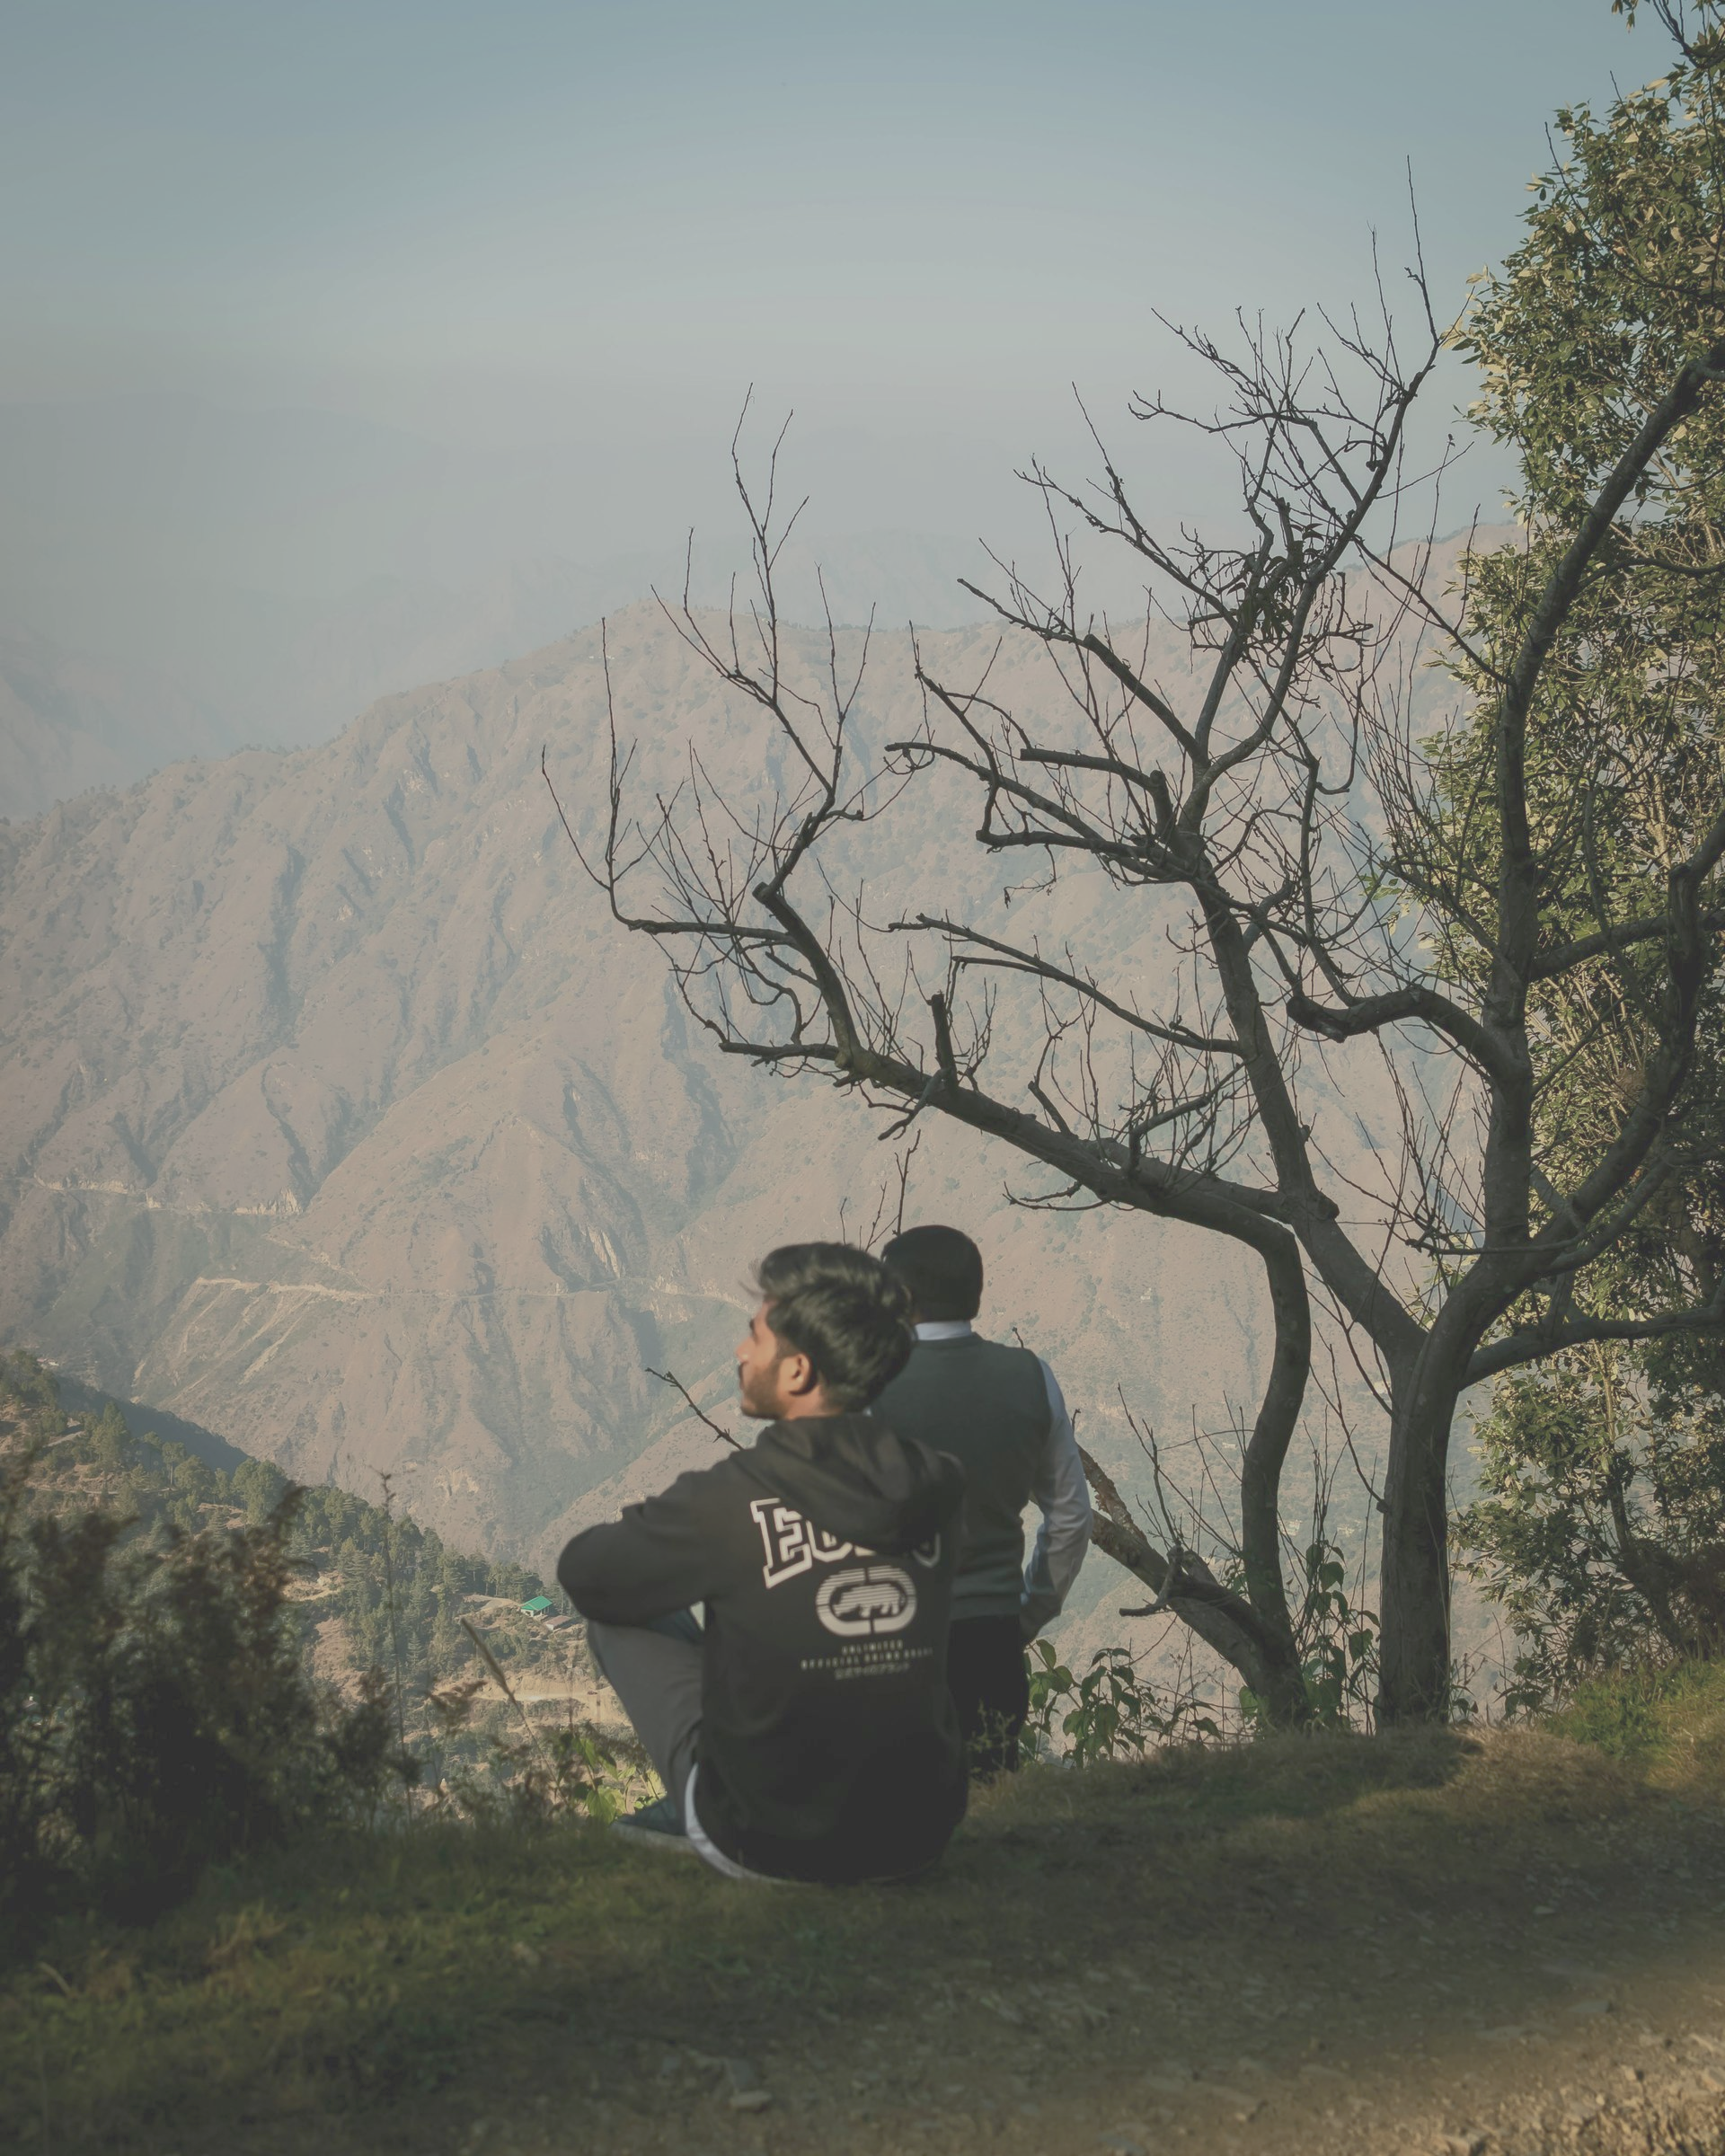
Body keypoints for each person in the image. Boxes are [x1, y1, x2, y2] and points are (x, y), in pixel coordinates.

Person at [557, 1241, 969, 1884]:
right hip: (919, 1834)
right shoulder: (939, 1483)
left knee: (622, 1615)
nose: (741, 1351)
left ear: (798, 1371)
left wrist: (668, 1533)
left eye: (755, 1335)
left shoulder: (729, 1500)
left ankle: (702, 1805)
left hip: (769, 1844)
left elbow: (587, 1575)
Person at [874, 1224, 1090, 1777]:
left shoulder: (862, 1385)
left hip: (884, 1636)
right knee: (990, 1798)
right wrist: (1026, 1614)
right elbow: (1069, 1516)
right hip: (990, 1636)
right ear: (975, 1293)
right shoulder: (1030, 1376)